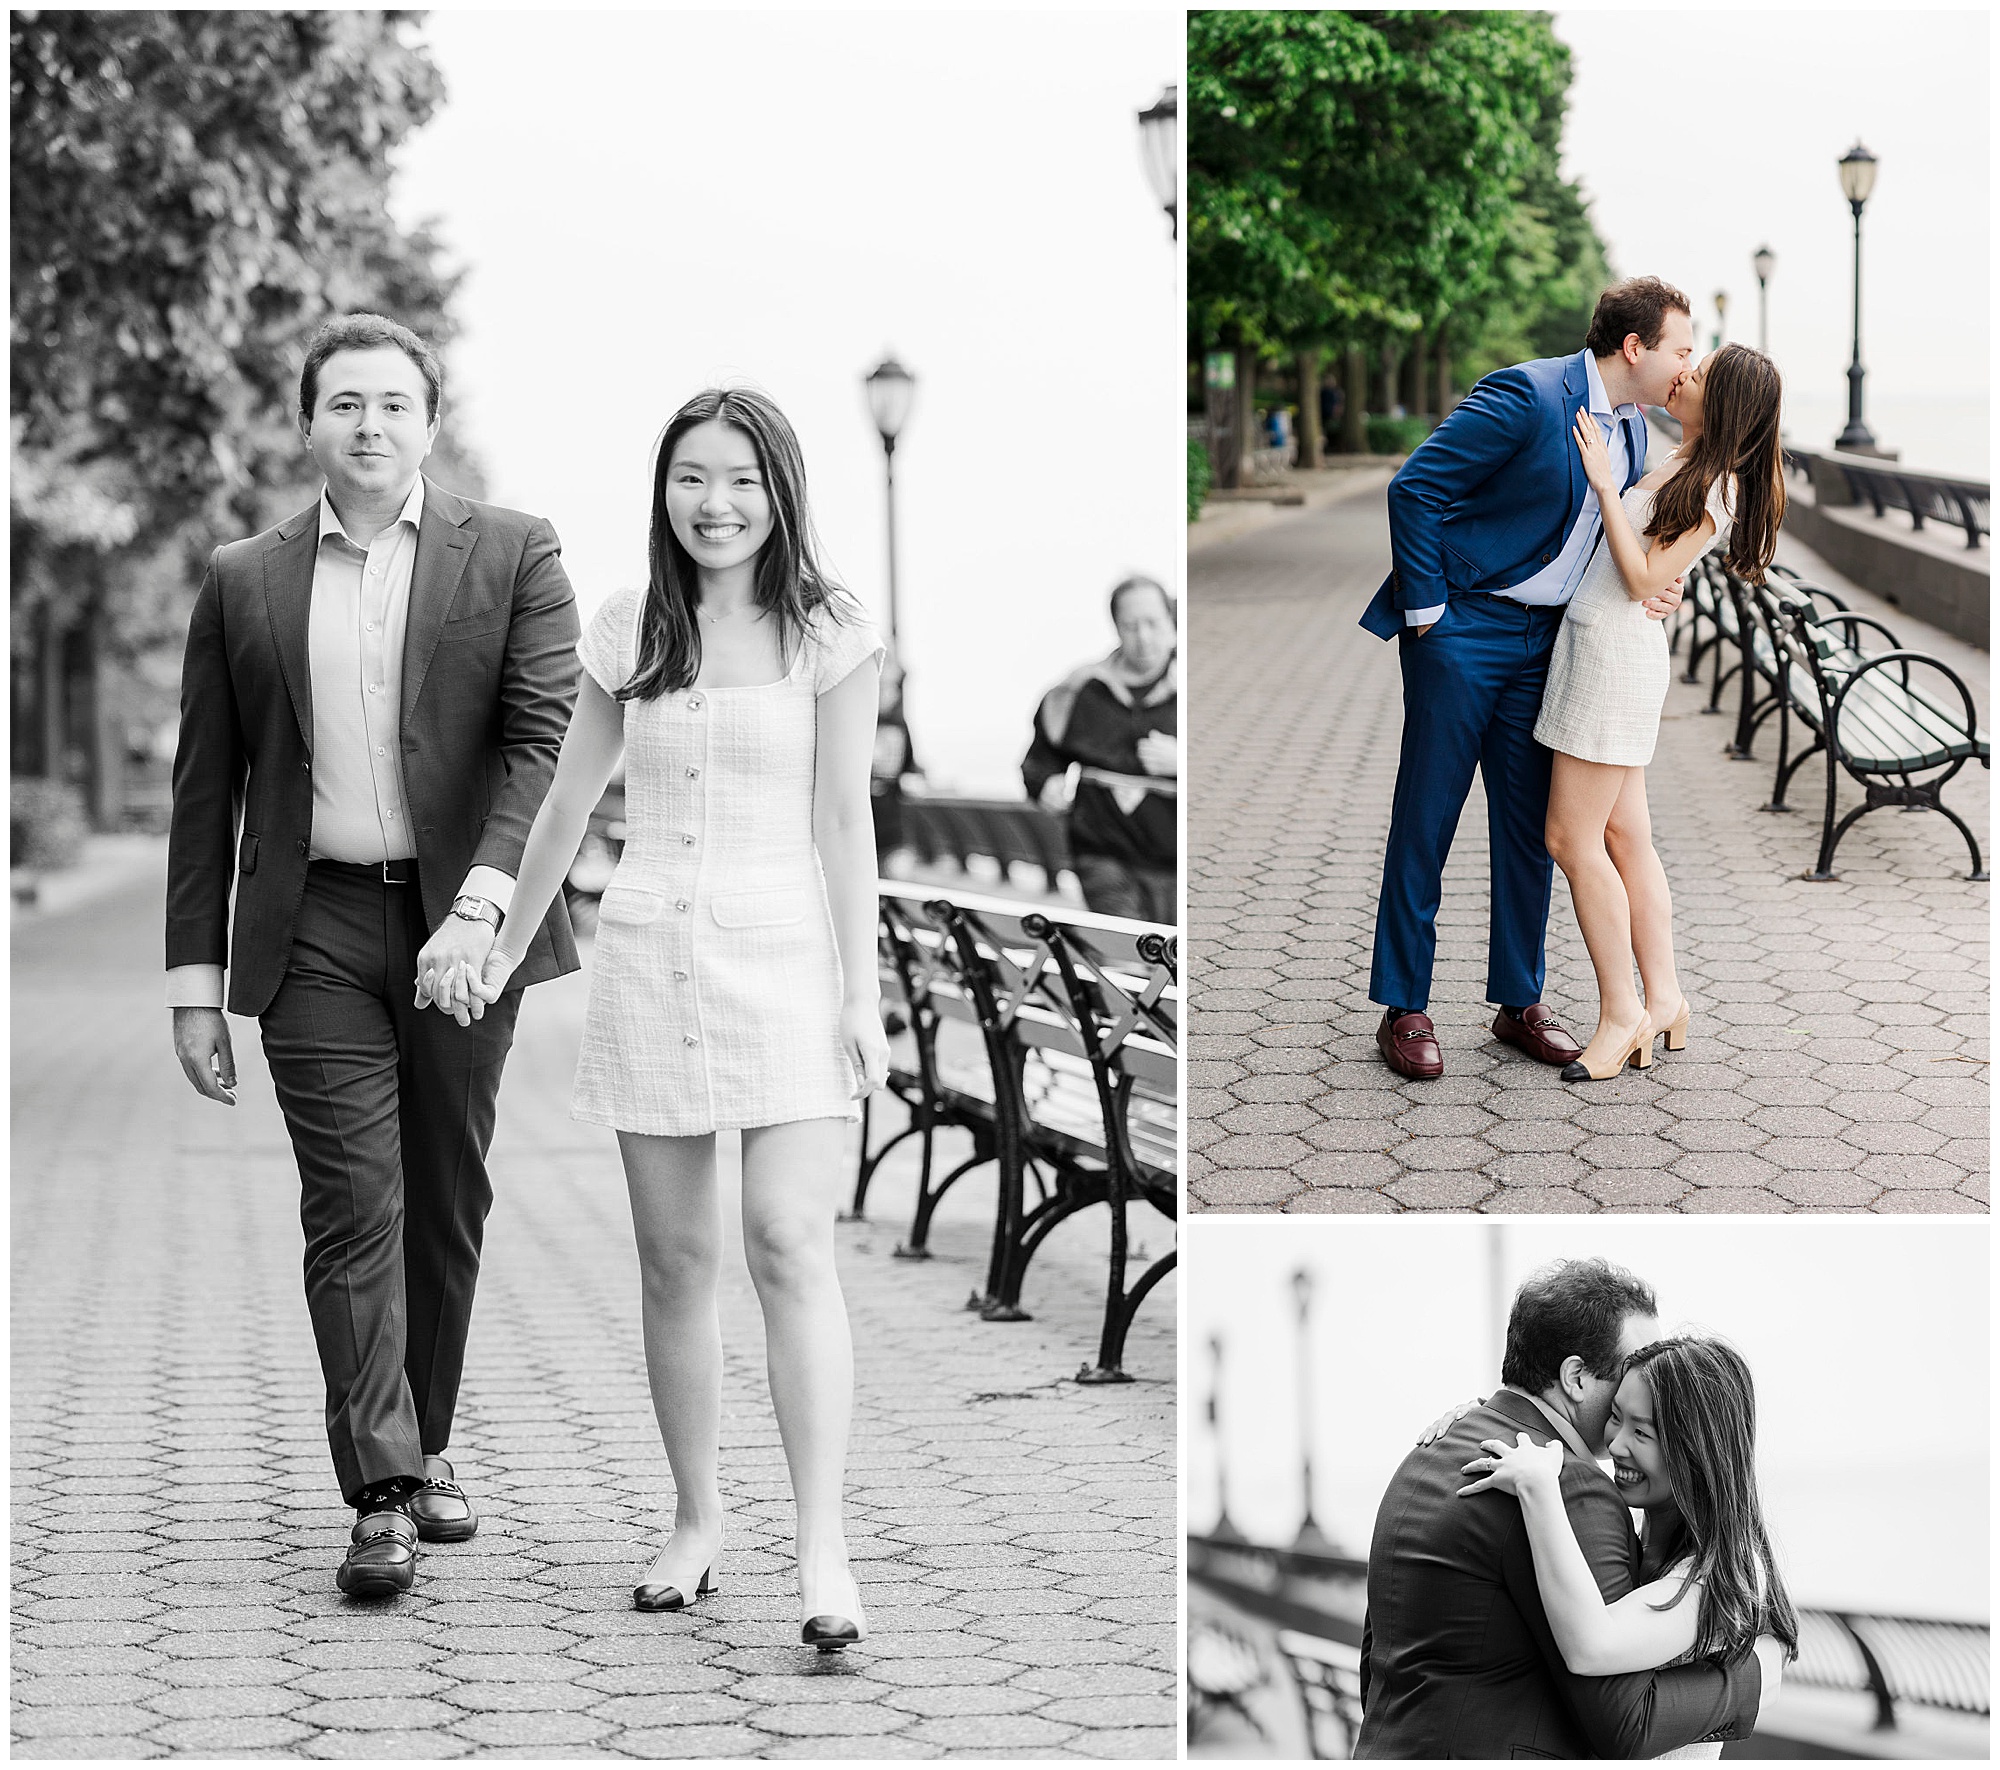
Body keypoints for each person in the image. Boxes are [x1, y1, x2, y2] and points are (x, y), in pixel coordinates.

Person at [418, 386, 888, 1649]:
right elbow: (565, 802)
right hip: (649, 958)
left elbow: (847, 822)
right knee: (676, 1264)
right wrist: (501, 949)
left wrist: (864, 993)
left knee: (788, 1240)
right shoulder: (631, 625)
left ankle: (821, 1549)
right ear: (663, 489)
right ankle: (694, 1519)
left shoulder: (829, 631)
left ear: (779, 491)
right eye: (691, 476)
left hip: (784, 956)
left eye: (739, 478)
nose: (715, 502)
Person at [165, 312, 582, 1596]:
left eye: (393, 404)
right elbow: (205, 790)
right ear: (306, 425)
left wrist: (486, 904)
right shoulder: (244, 576)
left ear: (429, 419)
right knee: (356, 1205)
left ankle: (429, 1440)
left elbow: (540, 740)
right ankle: (385, 1491)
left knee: (446, 1200)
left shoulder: (513, 551)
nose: (369, 427)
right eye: (344, 404)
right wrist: (195, 988)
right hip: (316, 928)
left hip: (470, 921)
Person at [1359, 278, 1694, 1082]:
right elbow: (1416, 487)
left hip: (1549, 645)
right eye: (1680, 349)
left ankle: (1520, 1001)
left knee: (1530, 828)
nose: (1687, 366)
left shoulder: (1639, 434)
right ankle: (1403, 1005)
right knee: (1427, 816)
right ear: (1635, 348)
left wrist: (1660, 583)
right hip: (1464, 632)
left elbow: (1622, 542)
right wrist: (1431, 612)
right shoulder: (1529, 392)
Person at [1354, 1258, 1783, 1759]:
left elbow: (1376, 1658)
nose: (1641, 1379)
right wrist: (1758, 1675)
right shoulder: (1568, 1486)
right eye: (1630, 1367)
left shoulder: (1429, 1455)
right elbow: (1626, 1720)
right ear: (1576, 1377)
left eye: (1644, 1428)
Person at [1539, 344, 1785, 1080]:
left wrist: (1607, 489)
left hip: (1612, 660)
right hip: (1606, 646)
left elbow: (1644, 571)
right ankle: (1667, 998)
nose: (1684, 375)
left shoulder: (1715, 485)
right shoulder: (1683, 459)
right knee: (1626, 837)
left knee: (1569, 839)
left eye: (1700, 375)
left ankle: (1622, 1012)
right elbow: (1652, 571)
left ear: (1726, 405)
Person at [1458, 1335, 1801, 1760]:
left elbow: (1592, 1647)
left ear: (1698, 1451)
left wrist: (1538, 1487)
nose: (1617, 1444)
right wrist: (1482, 1421)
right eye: (1615, 1417)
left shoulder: (1725, 1572)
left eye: (1642, 1432)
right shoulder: (1639, 1541)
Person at [1023, 574, 1178, 923]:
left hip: (1175, 862)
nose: (1143, 638)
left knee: (1171, 968)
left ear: (1171, 621)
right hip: (1102, 854)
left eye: (1153, 623)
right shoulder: (1080, 691)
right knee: (1124, 964)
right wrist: (1044, 783)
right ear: (1116, 629)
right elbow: (1040, 759)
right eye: (1130, 626)